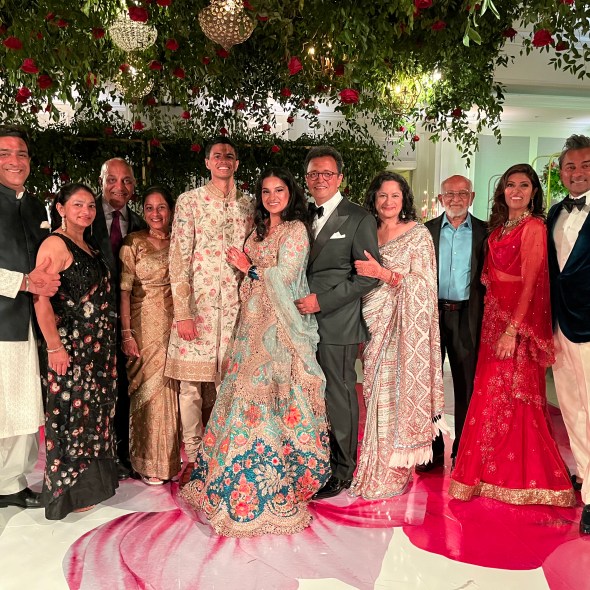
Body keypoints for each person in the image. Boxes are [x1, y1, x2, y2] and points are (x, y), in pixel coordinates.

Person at [180, 167, 330, 536]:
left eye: (279, 190)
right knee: (241, 394)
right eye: (266, 191)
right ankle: (231, 475)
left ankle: (275, 480)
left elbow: (287, 276)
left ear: (291, 194)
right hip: (250, 324)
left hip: (279, 327)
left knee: (274, 397)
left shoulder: (295, 230)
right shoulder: (258, 230)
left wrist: (250, 269)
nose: (272, 197)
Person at [449, 164, 575, 507]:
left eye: (523, 185)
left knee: (518, 400)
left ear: (534, 192)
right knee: (491, 397)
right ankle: (489, 474)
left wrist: (511, 331)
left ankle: (523, 479)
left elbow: (531, 282)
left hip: (515, 326)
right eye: (510, 185)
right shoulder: (501, 227)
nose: (516, 191)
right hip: (493, 321)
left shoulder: (534, 227)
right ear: (502, 191)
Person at [348, 172, 445, 499]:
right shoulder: (366, 232)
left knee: (396, 394)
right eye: (382, 196)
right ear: (373, 200)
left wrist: (385, 275)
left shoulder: (418, 234)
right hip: (372, 323)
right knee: (374, 393)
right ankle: (372, 464)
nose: (388, 202)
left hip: (404, 328)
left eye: (395, 196)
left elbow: (425, 287)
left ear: (404, 200)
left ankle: (393, 471)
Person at [166, 136, 254, 484]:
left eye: (229, 156)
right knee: (190, 386)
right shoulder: (189, 202)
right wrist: (183, 313)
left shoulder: (248, 206)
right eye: (217, 155)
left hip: (235, 310)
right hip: (197, 310)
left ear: (237, 164)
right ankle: (193, 456)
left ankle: (223, 454)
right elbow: (178, 257)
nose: (223, 160)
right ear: (207, 162)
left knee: (229, 385)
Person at [295, 146, 380, 499]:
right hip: (300, 323)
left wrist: (322, 301)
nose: (320, 179)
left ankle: (343, 469)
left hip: (337, 322)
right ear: (306, 178)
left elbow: (368, 276)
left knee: (339, 394)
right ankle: (314, 459)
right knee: (308, 394)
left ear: (340, 178)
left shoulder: (359, 218)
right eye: (314, 173)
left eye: (327, 173)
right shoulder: (300, 216)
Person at [34, 183, 119, 519]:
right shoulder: (55, 244)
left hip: (96, 350)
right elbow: (40, 298)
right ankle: (68, 492)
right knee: (71, 418)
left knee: (92, 418)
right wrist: (55, 346)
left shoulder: (88, 243)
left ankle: (90, 488)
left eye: (90, 206)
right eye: (77, 205)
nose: (86, 211)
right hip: (70, 348)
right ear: (61, 209)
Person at [0, 125, 60, 510]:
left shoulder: (38, 207)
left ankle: (11, 484)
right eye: (5, 154)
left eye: (21, 154)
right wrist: (23, 282)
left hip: (30, 322)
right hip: (2, 318)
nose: (14, 161)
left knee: (22, 405)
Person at [418, 175, 486, 472]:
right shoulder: (425, 232)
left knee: (466, 385)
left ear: (471, 197)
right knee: (429, 385)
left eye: (462, 193)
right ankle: (431, 450)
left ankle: (463, 450)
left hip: (468, 315)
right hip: (431, 315)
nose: (455, 199)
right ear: (440, 198)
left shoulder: (485, 232)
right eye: (449, 194)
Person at [119, 186, 180, 485]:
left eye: (161, 207)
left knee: (171, 391)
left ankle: (168, 460)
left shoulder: (181, 241)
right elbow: (124, 291)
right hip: (142, 326)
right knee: (146, 390)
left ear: (171, 210)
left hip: (174, 324)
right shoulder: (133, 242)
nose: (156, 214)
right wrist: (126, 333)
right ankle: (143, 459)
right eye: (149, 208)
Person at [90, 158, 147, 479]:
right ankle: (95, 455)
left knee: (125, 386)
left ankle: (122, 452)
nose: (119, 187)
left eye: (126, 181)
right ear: (101, 181)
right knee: (95, 388)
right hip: (90, 321)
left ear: (134, 186)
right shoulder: (86, 216)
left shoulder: (139, 223)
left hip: (128, 320)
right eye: (112, 179)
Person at [547, 134, 590, 533]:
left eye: (585, 165)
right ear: (560, 172)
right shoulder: (555, 212)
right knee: (572, 407)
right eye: (570, 167)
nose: (577, 173)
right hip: (560, 325)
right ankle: (585, 474)